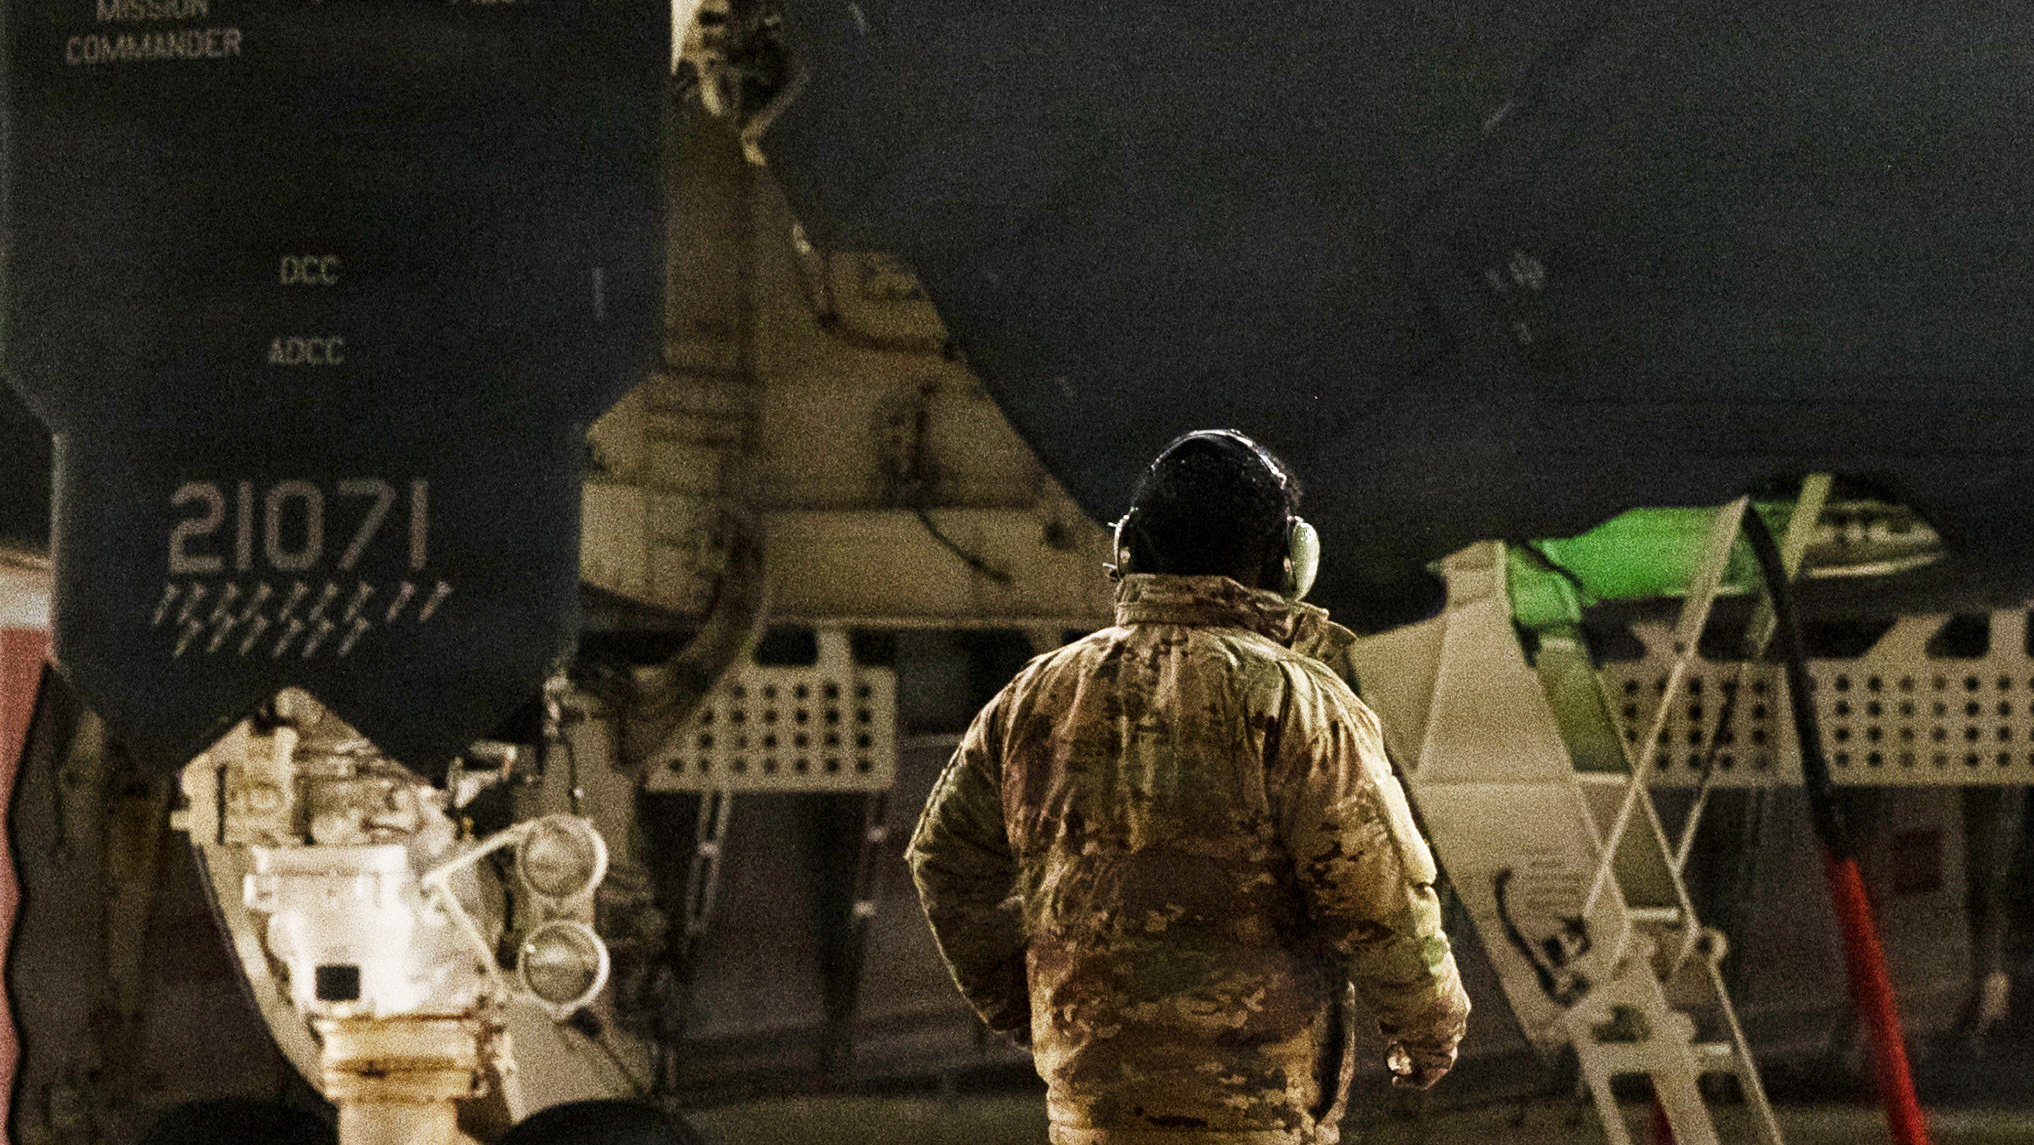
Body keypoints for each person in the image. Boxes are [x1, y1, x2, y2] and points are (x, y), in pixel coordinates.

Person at [907, 428, 1469, 1145]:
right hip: (1256, 1120)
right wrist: (1430, 1030)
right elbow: (1378, 895)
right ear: (1288, 562)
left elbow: (944, 862)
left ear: (1129, 546)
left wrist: (1031, 1005)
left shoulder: (1034, 697)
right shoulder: (1299, 703)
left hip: (1091, 1122)